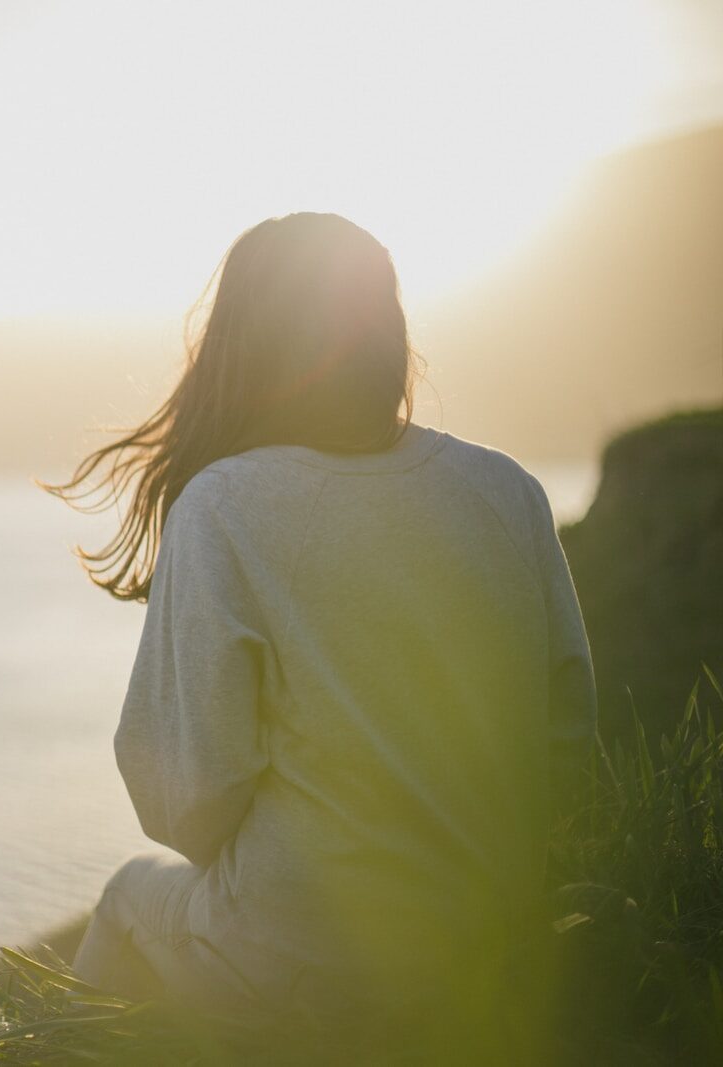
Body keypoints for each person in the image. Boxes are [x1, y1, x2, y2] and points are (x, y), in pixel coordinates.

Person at [43, 213, 597, 1045]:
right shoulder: (508, 489)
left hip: (310, 959)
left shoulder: (225, 505)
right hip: (493, 937)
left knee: (129, 897)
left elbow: (184, 803)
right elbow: (567, 742)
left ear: (239, 345)